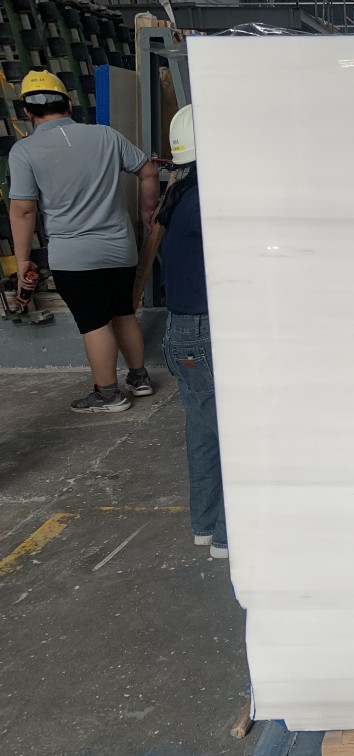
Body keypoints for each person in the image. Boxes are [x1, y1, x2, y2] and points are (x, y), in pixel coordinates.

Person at [9, 68, 160, 413]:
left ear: (28, 112)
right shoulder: (106, 135)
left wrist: (22, 261)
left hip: (74, 256)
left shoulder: (24, 151)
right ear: (69, 104)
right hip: (120, 249)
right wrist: (146, 213)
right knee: (123, 312)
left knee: (94, 322)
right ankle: (139, 378)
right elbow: (149, 172)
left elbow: (23, 210)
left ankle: (108, 394)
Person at [159, 105, 228, 559]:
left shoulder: (182, 195)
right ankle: (226, 535)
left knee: (204, 431)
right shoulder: (207, 200)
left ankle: (207, 527)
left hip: (184, 332)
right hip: (203, 332)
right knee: (227, 432)